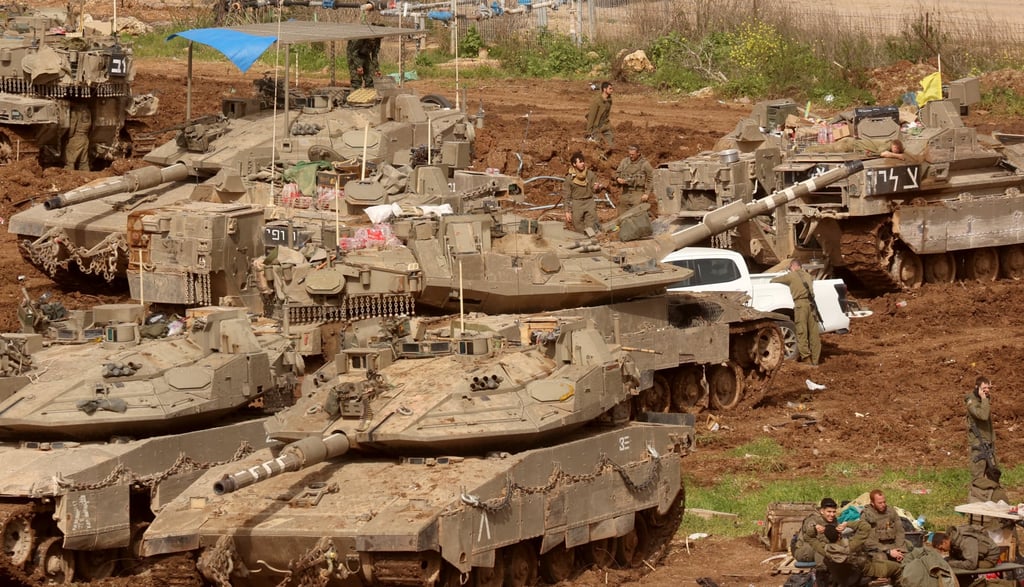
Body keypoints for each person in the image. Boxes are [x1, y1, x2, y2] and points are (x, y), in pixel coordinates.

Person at [819, 519, 903, 587]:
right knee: (898, 568)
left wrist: (814, 528)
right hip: (867, 570)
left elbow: (810, 539)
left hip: (846, 578)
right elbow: (865, 527)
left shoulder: (824, 550)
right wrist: (847, 524)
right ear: (839, 534)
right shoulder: (851, 545)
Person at [771, 259, 822, 365]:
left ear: (793, 267)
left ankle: (806, 358)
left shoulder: (791, 276)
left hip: (800, 306)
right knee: (814, 334)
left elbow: (774, 280)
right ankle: (816, 360)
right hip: (812, 306)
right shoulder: (808, 276)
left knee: (801, 331)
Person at [966, 375, 1005, 503]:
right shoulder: (972, 402)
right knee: (978, 478)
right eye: (984, 388)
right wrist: (983, 399)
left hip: (988, 445)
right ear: (977, 388)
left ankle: (994, 501)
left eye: (988, 388)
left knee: (994, 475)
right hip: (979, 445)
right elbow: (982, 416)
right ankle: (975, 503)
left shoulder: (984, 400)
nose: (987, 390)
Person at [562, 151, 605, 234]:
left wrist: (597, 188)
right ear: (574, 164)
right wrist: (567, 211)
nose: (583, 164)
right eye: (580, 162)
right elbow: (566, 195)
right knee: (578, 225)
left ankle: (591, 241)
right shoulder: (569, 178)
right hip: (577, 203)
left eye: (583, 162)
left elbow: (594, 190)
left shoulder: (590, 174)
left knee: (592, 225)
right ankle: (583, 240)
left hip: (589, 202)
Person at [794, 497, 842, 568]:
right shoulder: (813, 518)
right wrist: (814, 527)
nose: (832, 514)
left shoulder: (834, 521)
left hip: (820, 548)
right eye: (829, 512)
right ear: (822, 511)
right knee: (822, 549)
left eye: (834, 512)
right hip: (805, 551)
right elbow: (808, 529)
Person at [860, 489, 906, 563]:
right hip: (876, 549)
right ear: (872, 503)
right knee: (882, 560)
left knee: (908, 558)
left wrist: (899, 549)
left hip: (892, 545)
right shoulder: (867, 516)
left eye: (884, 502)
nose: (883, 505)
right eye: (880, 503)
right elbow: (868, 541)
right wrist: (888, 551)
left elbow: (900, 531)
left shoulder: (891, 512)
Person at [931, 525, 1001, 570]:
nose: (942, 551)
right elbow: (954, 557)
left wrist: (951, 563)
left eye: (941, 548)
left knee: (963, 568)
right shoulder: (952, 540)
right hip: (975, 555)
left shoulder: (965, 540)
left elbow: (971, 565)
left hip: (990, 558)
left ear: (944, 542)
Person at [614, 145, 654, 211]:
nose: (631, 156)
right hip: (625, 192)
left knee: (637, 214)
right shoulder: (624, 162)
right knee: (622, 214)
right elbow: (617, 173)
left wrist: (647, 193)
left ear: (638, 153)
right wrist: (618, 179)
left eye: (633, 154)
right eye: (629, 154)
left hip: (638, 193)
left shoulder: (645, 164)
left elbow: (651, 178)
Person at [806, 137, 906, 160]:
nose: (897, 152)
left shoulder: (886, 142)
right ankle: (805, 151)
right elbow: (882, 153)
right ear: (895, 147)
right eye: (897, 150)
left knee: (828, 148)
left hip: (850, 143)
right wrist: (898, 156)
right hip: (849, 145)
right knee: (827, 149)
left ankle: (806, 150)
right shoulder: (888, 145)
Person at [65, 103, 92, 171]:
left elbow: (72, 126)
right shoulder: (88, 111)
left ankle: (68, 176)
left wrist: (68, 137)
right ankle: (86, 176)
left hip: (76, 138)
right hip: (85, 137)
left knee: (70, 161)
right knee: (83, 162)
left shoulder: (75, 112)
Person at [585, 81, 613, 146]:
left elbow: (607, 115)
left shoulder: (609, 101)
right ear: (604, 89)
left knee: (611, 144)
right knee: (597, 144)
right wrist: (589, 131)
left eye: (612, 88)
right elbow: (591, 116)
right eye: (610, 88)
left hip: (604, 126)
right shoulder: (597, 101)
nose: (612, 90)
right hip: (596, 127)